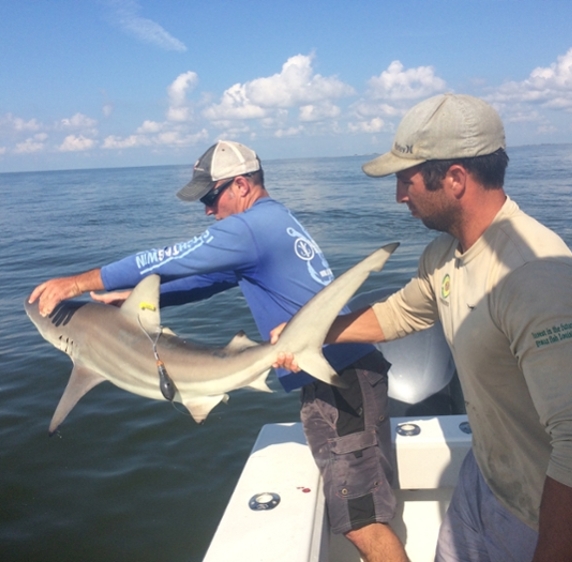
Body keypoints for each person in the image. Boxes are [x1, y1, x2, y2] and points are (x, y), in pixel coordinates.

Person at [273, 94, 572, 561]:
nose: (399, 195)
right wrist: (309, 336)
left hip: (553, 514)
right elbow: (399, 313)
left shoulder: (539, 279)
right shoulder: (445, 255)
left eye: (406, 180)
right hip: (487, 479)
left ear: (455, 179)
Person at [28, 140, 409, 562]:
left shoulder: (247, 228)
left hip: (342, 381)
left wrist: (80, 283)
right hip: (344, 373)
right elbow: (208, 280)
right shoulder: (273, 219)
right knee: (359, 513)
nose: (207, 210)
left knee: (361, 523)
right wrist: (137, 299)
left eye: (211, 197)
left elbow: (168, 258)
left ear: (242, 185)